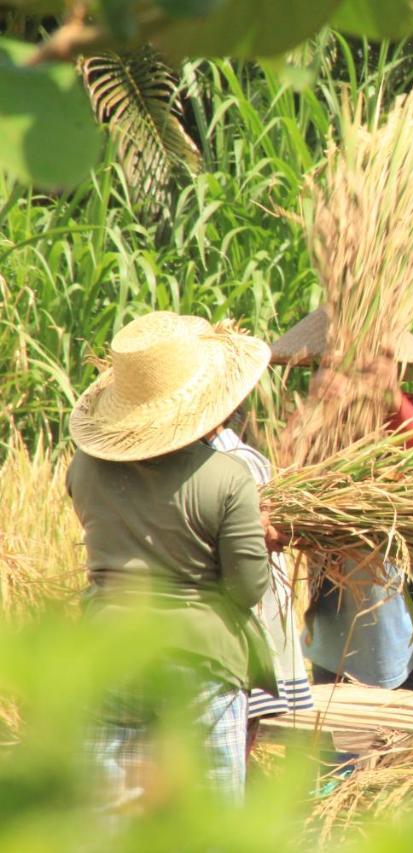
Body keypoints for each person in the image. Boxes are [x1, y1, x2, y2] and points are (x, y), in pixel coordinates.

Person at [66, 312, 277, 809]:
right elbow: (248, 588)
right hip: (199, 660)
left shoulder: (83, 470)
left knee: (106, 816)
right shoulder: (227, 478)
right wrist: (261, 538)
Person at [271, 308, 413, 692]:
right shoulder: (316, 425)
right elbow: (285, 485)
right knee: (343, 748)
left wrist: (391, 400)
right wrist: (316, 410)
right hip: (341, 631)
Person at [210, 412, 315, 753]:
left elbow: (249, 547)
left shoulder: (236, 462)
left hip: (248, 604)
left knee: (237, 733)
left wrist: (266, 533)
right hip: (237, 599)